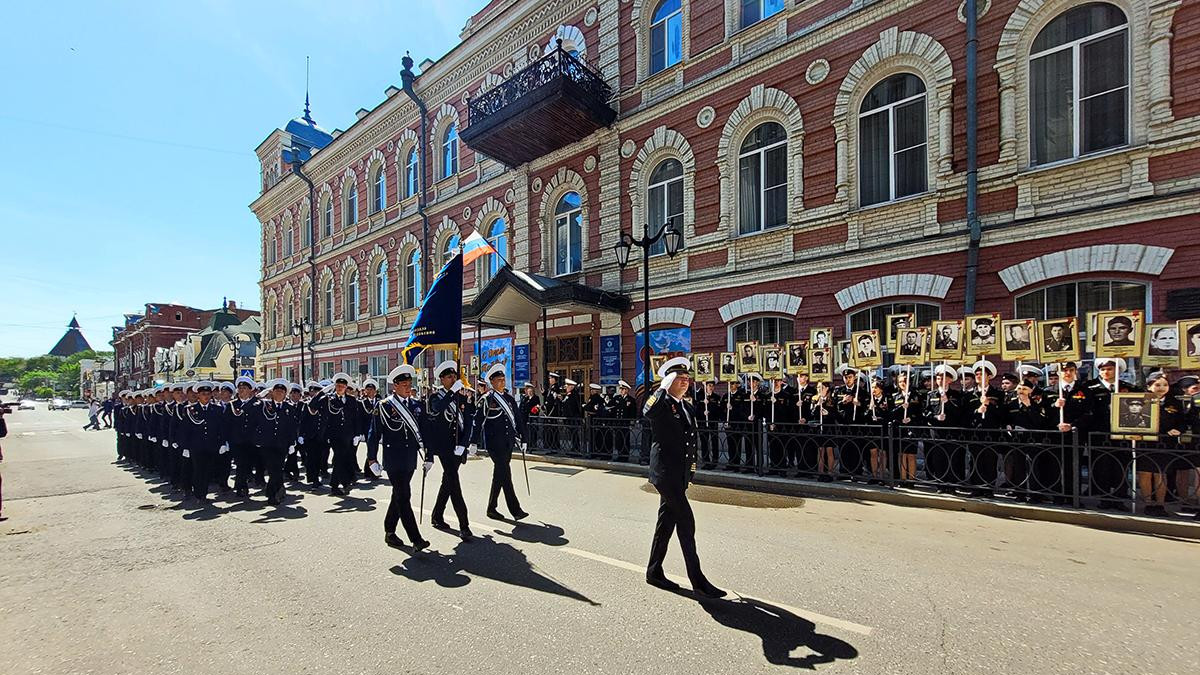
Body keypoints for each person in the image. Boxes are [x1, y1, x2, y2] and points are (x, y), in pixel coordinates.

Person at [643, 356, 726, 599]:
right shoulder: (660, 403)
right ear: (668, 380)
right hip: (665, 474)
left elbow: (690, 443)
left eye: (687, 378)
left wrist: (690, 471)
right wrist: (661, 389)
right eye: (679, 378)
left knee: (666, 524)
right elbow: (647, 411)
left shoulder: (686, 407)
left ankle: (654, 571)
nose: (685, 382)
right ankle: (698, 580)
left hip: (679, 475)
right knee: (686, 522)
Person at [377, 365, 430, 551]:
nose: (408, 388)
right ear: (395, 386)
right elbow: (374, 433)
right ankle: (416, 539)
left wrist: (429, 456)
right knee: (404, 496)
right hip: (393, 459)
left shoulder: (416, 406)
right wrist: (371, 458)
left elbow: (426, 432)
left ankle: (389, 530)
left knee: (398, 496)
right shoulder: (385, 406)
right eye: (404, 385)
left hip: (409, 459)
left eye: (410, 384)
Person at [425, 360, 476, 541]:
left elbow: (468, 423)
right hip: (444, 448)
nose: (453, 379)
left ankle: (437, 516)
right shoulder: (435, 397)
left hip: (458, 448)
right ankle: (464, 525)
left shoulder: (462, 398)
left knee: (447, 482)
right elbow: (437, 409)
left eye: (454, 376)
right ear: (441, 379)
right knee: (454, 483)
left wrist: (464, 443)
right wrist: (451, 392)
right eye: (449, 377)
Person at [474, 363, 529, 521]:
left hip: (508, 442)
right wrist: (473, 442)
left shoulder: (509, 399)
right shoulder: (487, 399)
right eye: (499, 380)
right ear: (492, 382)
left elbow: (518, 420)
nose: (502, 382)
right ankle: (515, 510)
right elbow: (478, 421)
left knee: (499, 475)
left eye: (503, 379)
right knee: (505, 474)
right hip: (494, 444)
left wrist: (524, 439)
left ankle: (491, 508)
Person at [253, 379, 299, 505]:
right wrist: (260, 395)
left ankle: (274, 491)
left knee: (278, 468)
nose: (279, 393)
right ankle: (273, 494)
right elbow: (249, 408)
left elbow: (292, 427)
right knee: (273, 469)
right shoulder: (264, 405)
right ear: (272, 392)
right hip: (267, 444)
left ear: (285, 394)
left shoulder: (289, 408)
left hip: (282, 444)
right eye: (276, 391)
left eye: (281, 392)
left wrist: (292, 443)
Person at [317, 373, 363, 497]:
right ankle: (336, 484)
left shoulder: (351, 400)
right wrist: (323, 391)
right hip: (334, 435)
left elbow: (355, 418)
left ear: (346, 387)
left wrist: (357, 434)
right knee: (339, 457)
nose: (340, 388)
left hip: (348, 435)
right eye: (337, 386)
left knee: (342, 458)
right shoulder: (329, 399)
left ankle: (344, 482)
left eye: (342, 386)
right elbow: (313, 405)